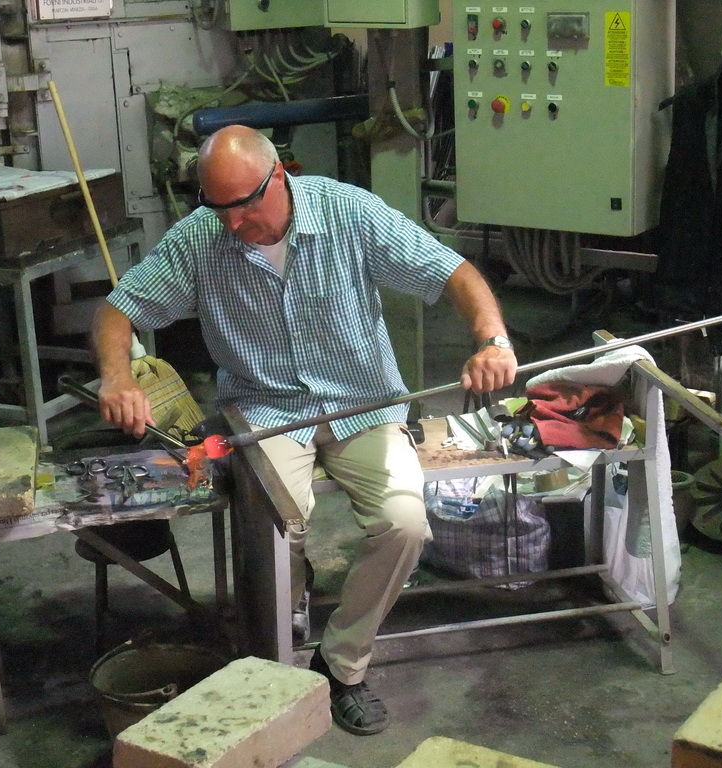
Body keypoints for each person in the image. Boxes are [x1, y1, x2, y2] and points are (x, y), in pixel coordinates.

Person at [90, 125, 517, 735]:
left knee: (405, 523)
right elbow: (118, 308)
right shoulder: (201, 238)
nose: (233, 224)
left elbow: (452, 273)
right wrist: (116, 376)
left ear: (279, 177)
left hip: (362, 403)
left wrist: (492, 339)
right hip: (266, 409)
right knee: (275, 527)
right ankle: (284, 618)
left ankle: (342, 664)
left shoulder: (348, 213)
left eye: (244, 206)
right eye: (217, 208)